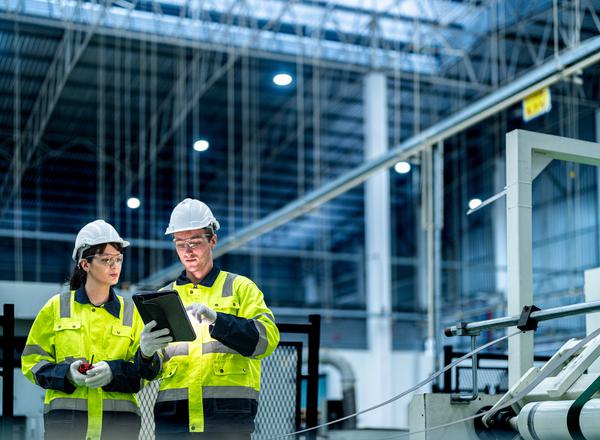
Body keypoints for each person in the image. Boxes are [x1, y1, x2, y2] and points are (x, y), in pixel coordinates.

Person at [21, 220, 172, 440]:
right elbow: (32, 363)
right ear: (85, 265)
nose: (115, 266)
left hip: (118, 427)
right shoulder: (57, 307)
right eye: (106, 260)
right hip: (67, 425)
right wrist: (67, 375)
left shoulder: (132, 312)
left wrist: (137, 360)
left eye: (118, 259)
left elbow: (146, 375)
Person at [154, 198, 280, 439]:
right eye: (180, 244)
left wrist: (218, 321)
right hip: (174, 423)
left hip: (228, 421)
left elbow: (267, 340)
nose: (187, 251)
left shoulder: (241, 288)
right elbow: (151, 369)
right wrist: (146, 352)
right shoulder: (165, 297)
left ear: (212, 240)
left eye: (195, 242)